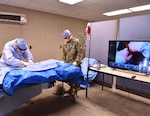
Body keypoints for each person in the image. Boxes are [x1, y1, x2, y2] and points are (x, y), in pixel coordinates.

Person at [53, 29, 83, 98]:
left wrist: (76, 61)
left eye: (66, 38)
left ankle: (75, 92)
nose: (65, 40)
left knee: (76, 79)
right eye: (64, 39)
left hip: (75, 64)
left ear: (70, 36)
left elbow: (80, 53)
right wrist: (64, 62)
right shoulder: (65, 43)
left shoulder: (76, 42)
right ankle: (71, 89)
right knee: (69, 79)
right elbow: (64, 54)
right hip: (68, 64)